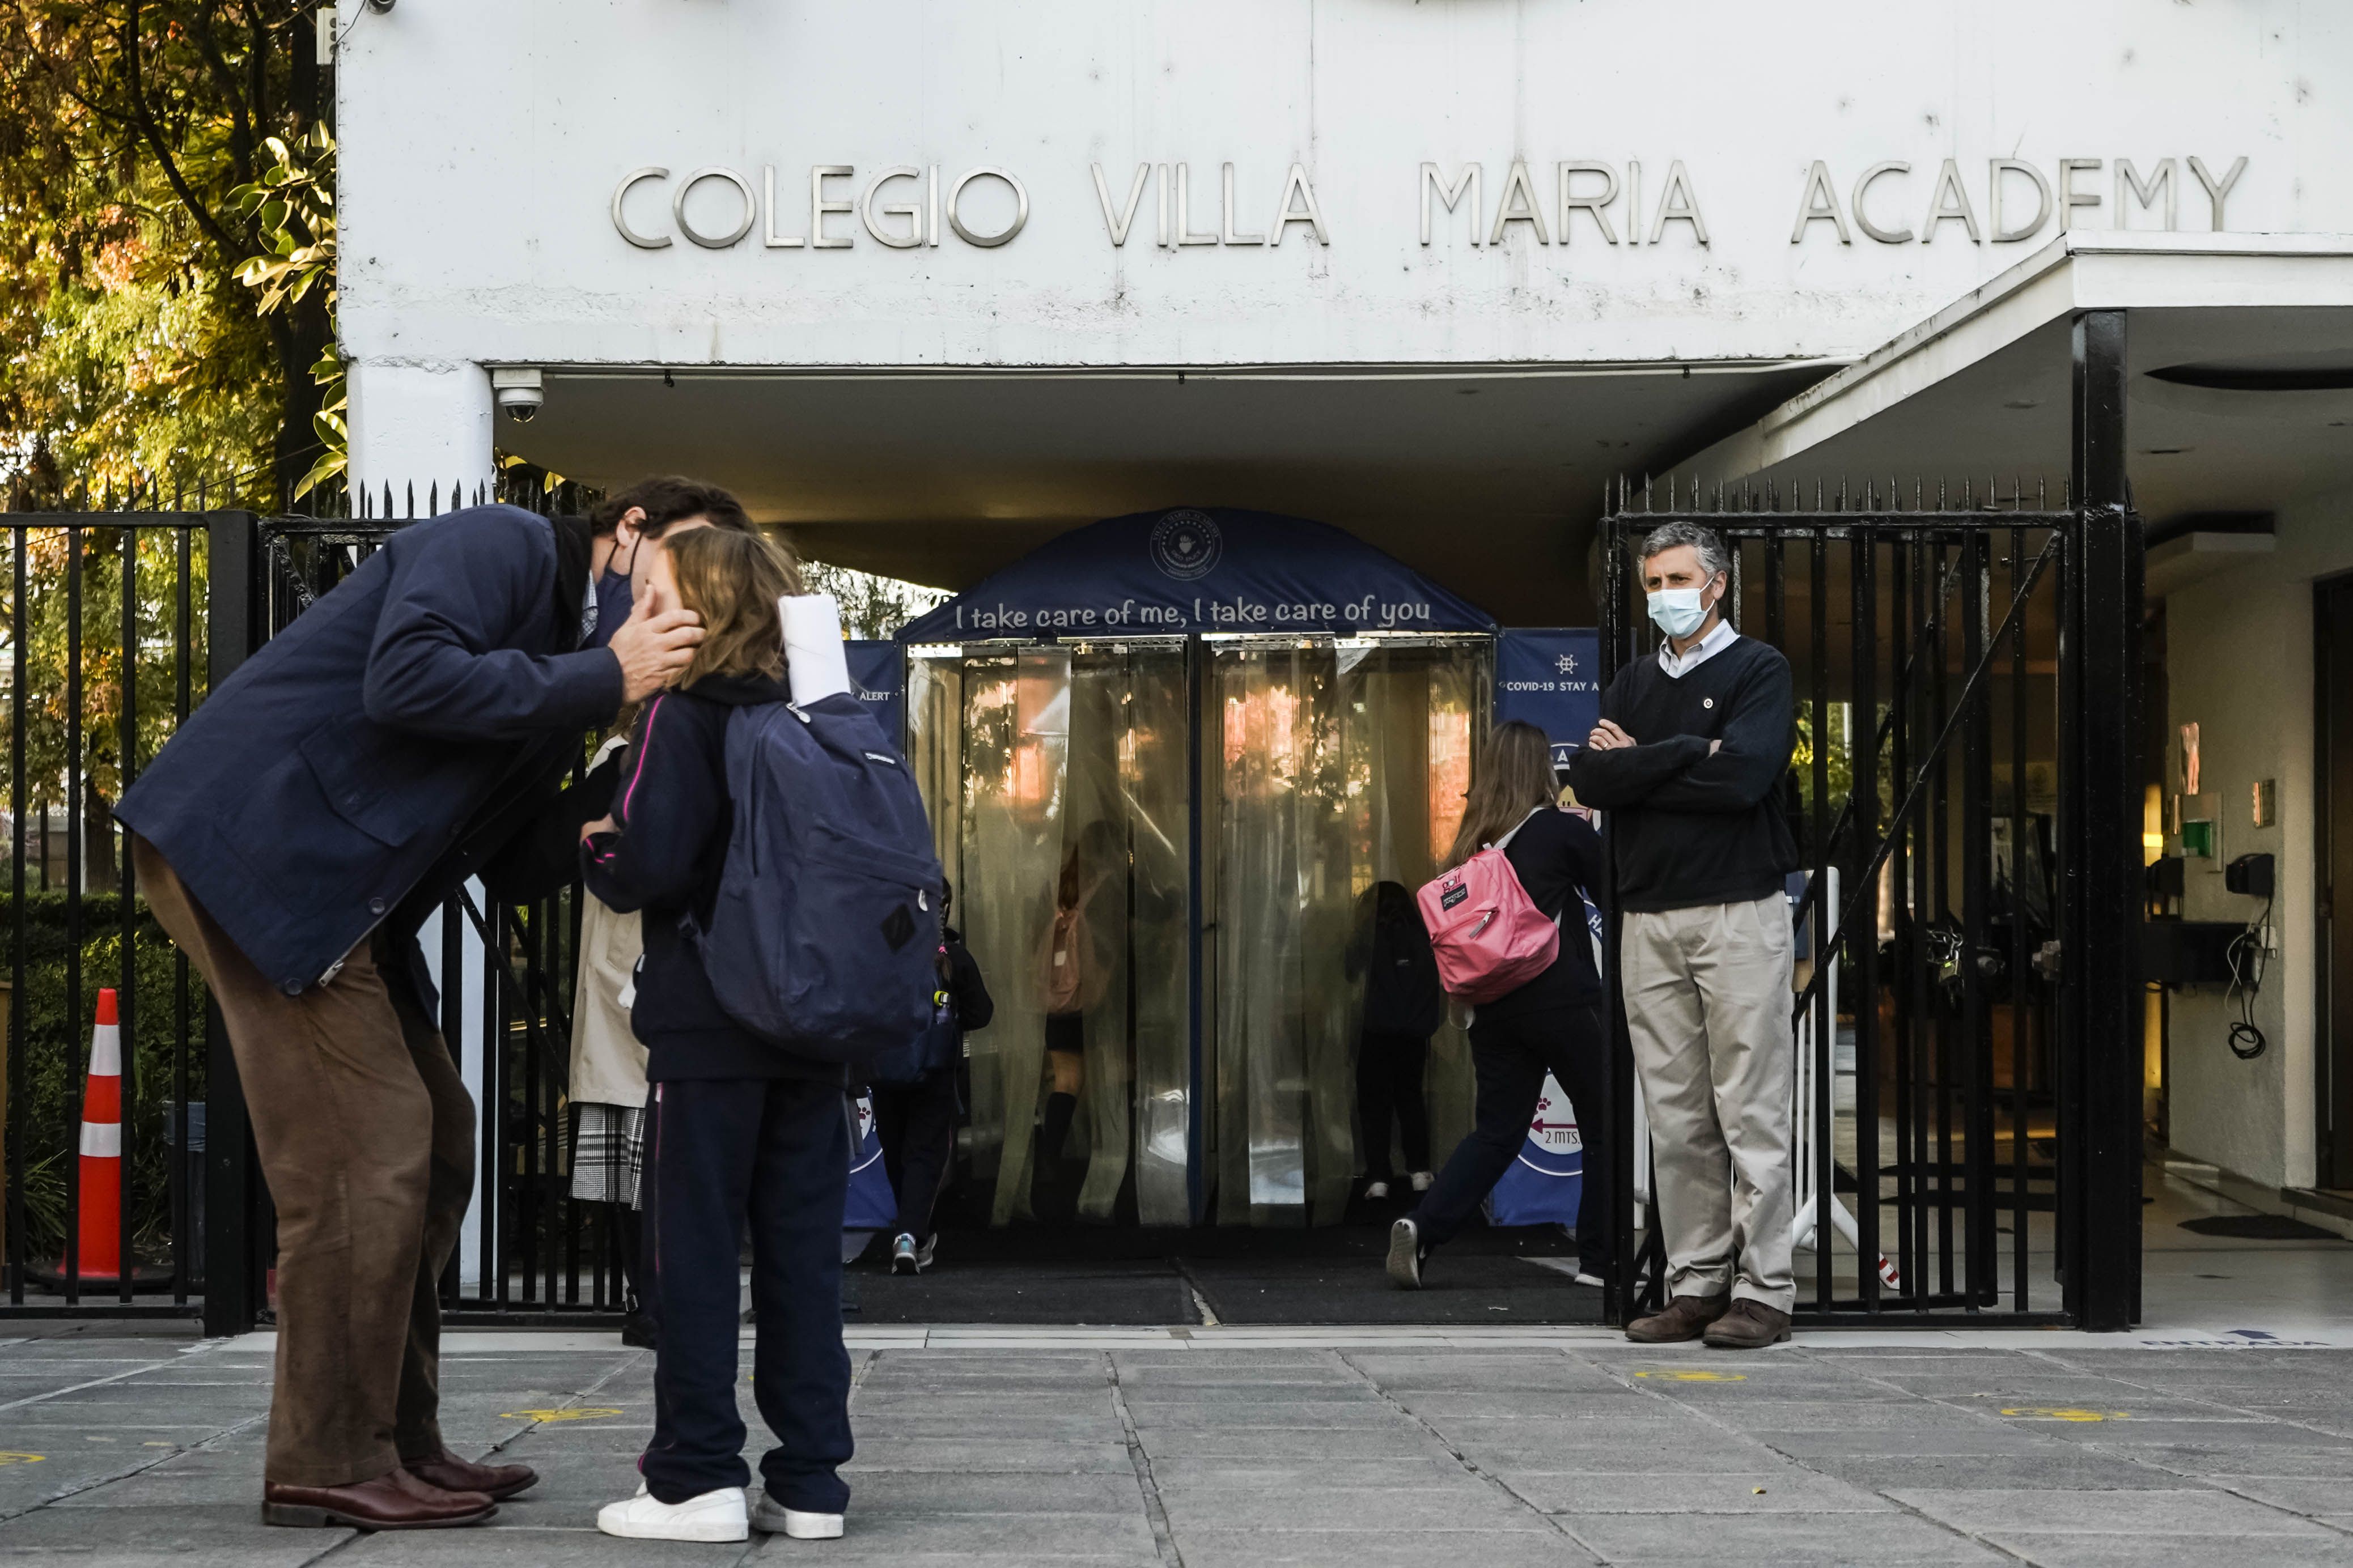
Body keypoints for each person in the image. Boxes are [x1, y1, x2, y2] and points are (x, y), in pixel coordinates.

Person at [112, 476, 734, 1530]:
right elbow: (407, 678)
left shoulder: (576, 669)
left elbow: (519, 861)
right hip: (258, 850)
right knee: (365, 1153)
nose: (680, 609)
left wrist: (634, 766)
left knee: (440, 1134)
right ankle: (325, 1455)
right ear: (627, 532)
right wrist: (602, 676)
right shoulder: (498, 545)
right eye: (675, 571)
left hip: (346, 892)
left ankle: (397, 1437)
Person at [582, 525, 854, 1545]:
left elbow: (648, 863)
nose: (640, 610)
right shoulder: (821, 712)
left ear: (699, 611)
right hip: (815, 1026)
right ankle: (811, 1482)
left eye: (655, 594)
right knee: (800, 1258)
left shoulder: (681, 716)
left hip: (710, 1025)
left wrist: (596, 849)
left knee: (690, 1254)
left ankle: (695, 1476)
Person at [1566, 520, 1800, 1350]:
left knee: (1750, 1105)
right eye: (1650, 581)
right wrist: (1683, 751)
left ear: (1716, 584)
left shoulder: (1757, 669)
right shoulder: (1631, 679)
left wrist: (1643, 765)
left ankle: (1765, 1287)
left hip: (1737, 908)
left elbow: (1742, 776)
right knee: (1674, 1114)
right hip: (1646, 911)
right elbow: (1590, 776)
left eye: (1675, 578)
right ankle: (1695, 1284)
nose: (1661, 594)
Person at [1389, 721, 1614, 1290]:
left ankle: (1422, 1227)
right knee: (1605, 1122)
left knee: (1495, 1132)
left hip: (1491, 1008)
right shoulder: (1559, 832)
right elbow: (1616, 889)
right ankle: (1599, 1258)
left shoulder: (1471, 844)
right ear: (1542, 768)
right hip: (1562, 1000)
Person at [873, 879, 994, 1274]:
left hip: (887, 1070)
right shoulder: (954, 958)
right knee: (924, 1156)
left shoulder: (885, 949)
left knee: (897, 1156)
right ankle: (910, 1236)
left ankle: (915, 1233)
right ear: (944, 909)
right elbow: (982, 1013)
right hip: (936, 1072)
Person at [1351, 880, 1440, 1202]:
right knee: (1410, 1098)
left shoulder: (1369, 934)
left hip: (1375, 1031)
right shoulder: (1422, 933)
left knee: (1375, 1104)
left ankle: (1378, 1177)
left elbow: (1348, 970)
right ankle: (1418, 1172)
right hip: (1414, 1034)